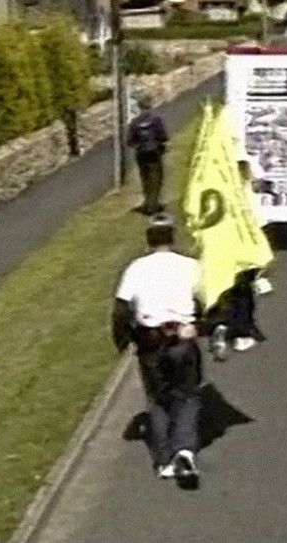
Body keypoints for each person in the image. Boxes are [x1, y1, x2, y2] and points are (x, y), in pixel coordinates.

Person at [113, 214, 205, 482]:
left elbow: (121, 309)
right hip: (182, 338)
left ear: (149, 240)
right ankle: (184, 450)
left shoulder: (136, 268)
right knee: (187, 396)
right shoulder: (190, 266)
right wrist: (199, 326)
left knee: (157, 398)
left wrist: (124, 340)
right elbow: (208, 300)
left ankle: (164, 460)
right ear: (172, 237)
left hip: (150, 342)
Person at [211, 157, 271, 359]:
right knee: (244, 293)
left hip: (225, 247)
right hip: (245, 251)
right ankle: (241, 332)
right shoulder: (249, 198)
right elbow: (260, 226)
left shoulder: (221, 195)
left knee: (228, 288)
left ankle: (222, 323)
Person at [127, 93, 169, 215]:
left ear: (139, 107)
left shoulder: (135, 122)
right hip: (154, 153)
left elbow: (130, 141)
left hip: (141, 154)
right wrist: (161, 145)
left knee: (145, 178)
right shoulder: (156, 119)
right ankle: (153, 204)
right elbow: (163, 136)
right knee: (156, 178)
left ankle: (148, 202)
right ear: (150, 105)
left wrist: (138, 146)